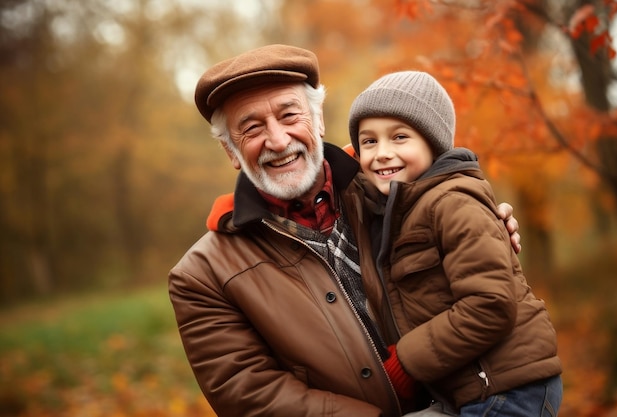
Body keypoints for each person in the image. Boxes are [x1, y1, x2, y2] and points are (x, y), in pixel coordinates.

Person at [168, 44, 521, 417]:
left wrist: (489, 225)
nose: (277, 140)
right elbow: (249, 394)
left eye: (290, 115)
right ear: (231, 151)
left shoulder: (397, 188)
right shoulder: (202, 276)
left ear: (318, 120)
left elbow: (480, 277)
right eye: (251, 128)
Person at [347, 70, 563, 416]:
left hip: (508, 388)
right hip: (473, 388)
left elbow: (489, 303)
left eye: (399, 137)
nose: (382, 153)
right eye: (369, 142)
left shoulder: (453, 201)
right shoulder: (400, 211)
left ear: (433, 143)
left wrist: (405, 361)